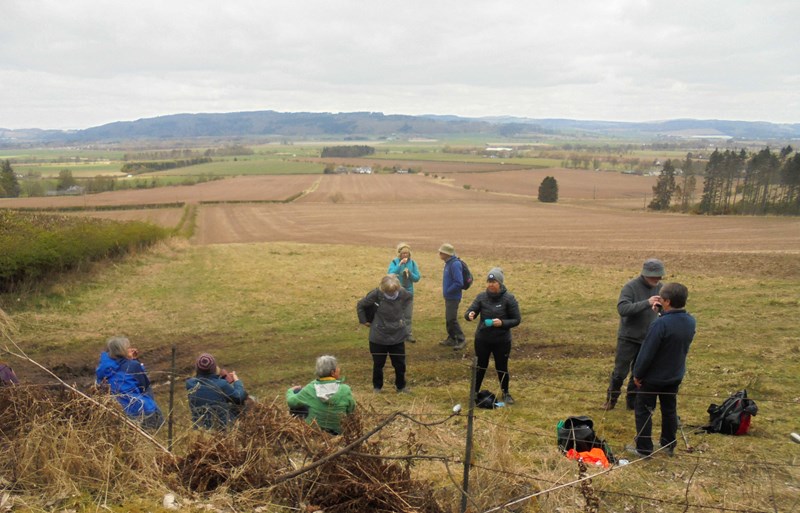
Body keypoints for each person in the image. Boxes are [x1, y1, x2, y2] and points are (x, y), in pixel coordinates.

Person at [628, 282, 695, 457]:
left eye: (662, 299)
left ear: (667, 301)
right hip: (674, 375)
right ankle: (668, 444)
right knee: (669, 410)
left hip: (653, 378)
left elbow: (647, 352)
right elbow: (673, 329)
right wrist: (661, 313)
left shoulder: (660, 324)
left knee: (643, 411)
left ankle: (643, 448)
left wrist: (637, 374)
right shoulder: (690, 321)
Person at [602, 258, 666, 411]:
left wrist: (661, 309)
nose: (657, 279)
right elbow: (622, 309)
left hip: (648, 339)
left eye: (659, 276)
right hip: (628, 338)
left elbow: (666, 309)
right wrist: (647, 303)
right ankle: (611, 400)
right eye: (654, 276)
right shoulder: (630, 287)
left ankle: (632, 403)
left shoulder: (661, 288)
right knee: (620, 372)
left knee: (639, 373)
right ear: (645, 274)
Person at [464, 268, 522, 405]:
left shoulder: (509, 299)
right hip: (482, 340)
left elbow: (516, 319)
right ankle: (474, 392)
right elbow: (470, 311)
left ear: (500, 283)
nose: (490, 284)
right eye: (489, 282)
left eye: (493, 282)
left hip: (502, 341)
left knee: (502, 367)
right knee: (480, 366)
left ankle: (506, 393)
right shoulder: (481, 297)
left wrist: (502, 323)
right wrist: (470, 314)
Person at [357, 274, 412, 393]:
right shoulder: (375, 294)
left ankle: (401, 386)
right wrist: (364, 320)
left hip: (397, 336)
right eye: (388, 292)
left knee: (400, 364)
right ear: (383, 288)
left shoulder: (403, 293)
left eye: (394, 291)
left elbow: (409, 299)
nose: (392, 294)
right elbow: (361, 305)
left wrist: (405, 317)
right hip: (378, 336)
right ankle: (377, 387)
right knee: (378, 364)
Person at [95, 336, 164, 430]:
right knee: (147, 389)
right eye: (128, 347)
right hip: (136, 410)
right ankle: (156, 418)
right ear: (122, 350)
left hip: (114, 410)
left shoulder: (102, 367)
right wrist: (134, 362)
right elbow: (143, 384)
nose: (131, 349)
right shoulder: (132, 365)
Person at [286, 355, 356, 435]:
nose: (339, 369)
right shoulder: (345, 390)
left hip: (314, 431)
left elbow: (291, 402)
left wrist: (290, 391)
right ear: (333, 373)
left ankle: (302, 426)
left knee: (298, 392)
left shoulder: (310, 388)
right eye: (337, 368)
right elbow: (351, 410)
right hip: (338, 432)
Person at [186, 353, 248, 429]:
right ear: (214, 368)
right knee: (249, 402)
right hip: (221, 428)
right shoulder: (222, 384)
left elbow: (207, 386)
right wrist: (237, 381)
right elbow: (239, 397)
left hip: (200, 428)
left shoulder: (190, 384)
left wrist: (219, 379)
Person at [387, 242, 421, 343]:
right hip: (397, 293)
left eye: (407, 253)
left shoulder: (413, 263)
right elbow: (390, 274)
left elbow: (417, 278)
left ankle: (408, 334)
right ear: (399, 254)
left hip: (409, 293)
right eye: (403, 253)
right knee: (396, 315)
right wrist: (400, 265)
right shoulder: (394, 262)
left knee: (408, 315)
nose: (405, 255)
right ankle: (396, 334)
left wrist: (410, 274)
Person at [438, 243, 466, 350]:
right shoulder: (448, 263)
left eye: (441, 252)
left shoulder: (455, 264)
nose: (439, 254)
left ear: (447, 253)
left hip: (453, 297)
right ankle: (452, 338)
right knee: (448, 318)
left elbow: (459, 282)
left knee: (451, 319)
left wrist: (448, 291)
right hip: (449, 297)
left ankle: (461, 339)